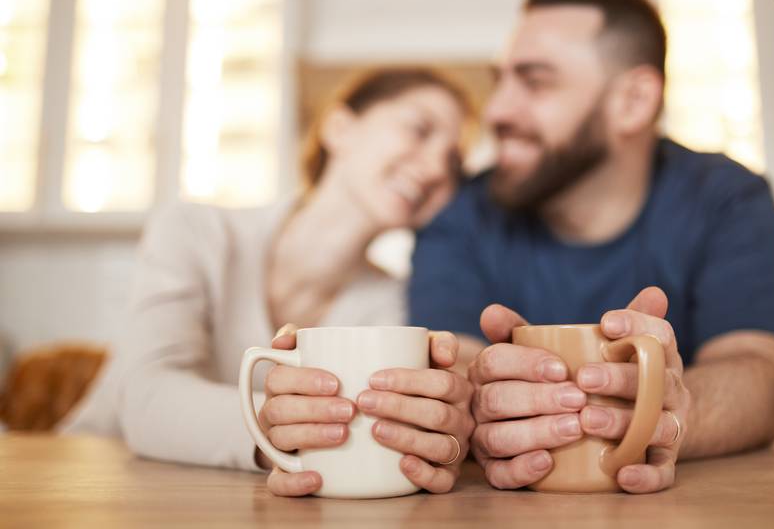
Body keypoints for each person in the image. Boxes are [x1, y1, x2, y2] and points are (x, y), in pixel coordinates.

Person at [409, 0, 774, 494]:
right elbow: (451, 358)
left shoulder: (725, 198)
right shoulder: (459, 214)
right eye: (500, 81)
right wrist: (473, 402)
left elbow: (761, 371)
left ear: (633, 101)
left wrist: (674, 410)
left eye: (536, 82)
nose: (497, 111)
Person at [62, 67, 479, 496]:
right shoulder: (194, 231)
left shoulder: (390, 301)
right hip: (85, 485)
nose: (434, 168)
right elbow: (146, 400)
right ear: (340, 128)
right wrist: (276, 429)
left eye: (453, 162)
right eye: (419, 129)